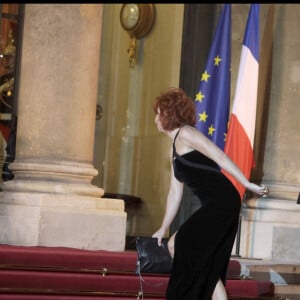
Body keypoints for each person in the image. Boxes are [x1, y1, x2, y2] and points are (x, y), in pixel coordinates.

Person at [152, 87, 269, 300]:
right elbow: (174, 193)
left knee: (180, 245)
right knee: (192, 254)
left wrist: (247, 184)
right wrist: (163, 227)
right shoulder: (173, 150)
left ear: (169, 114)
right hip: (216, 204)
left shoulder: (187, 133)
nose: (155, 118)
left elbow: (220, 158)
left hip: (223, 201)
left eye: (159, 112)